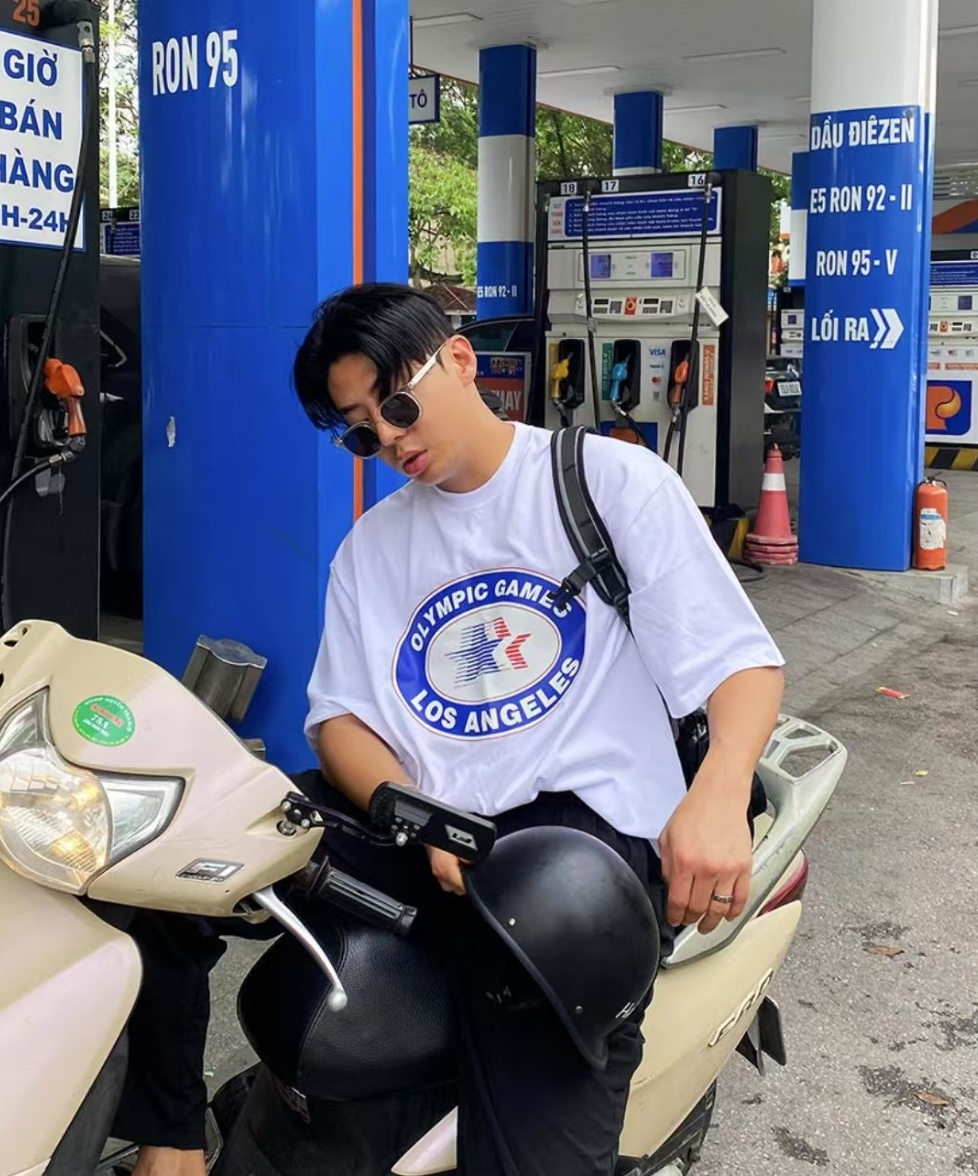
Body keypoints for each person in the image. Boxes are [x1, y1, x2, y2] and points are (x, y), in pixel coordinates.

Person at [120, 281, 784, 1176]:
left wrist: (719, 794)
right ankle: (170, 1142)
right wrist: (415, 810)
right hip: (426, 824)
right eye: (362, 432)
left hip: (574, 846)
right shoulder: (373, 546)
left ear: (460, 361)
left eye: (395, 405)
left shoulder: (607, 482)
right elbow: (341, 722)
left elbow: (740, 664)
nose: (391, 440)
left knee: (532, 982)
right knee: (169, 851)